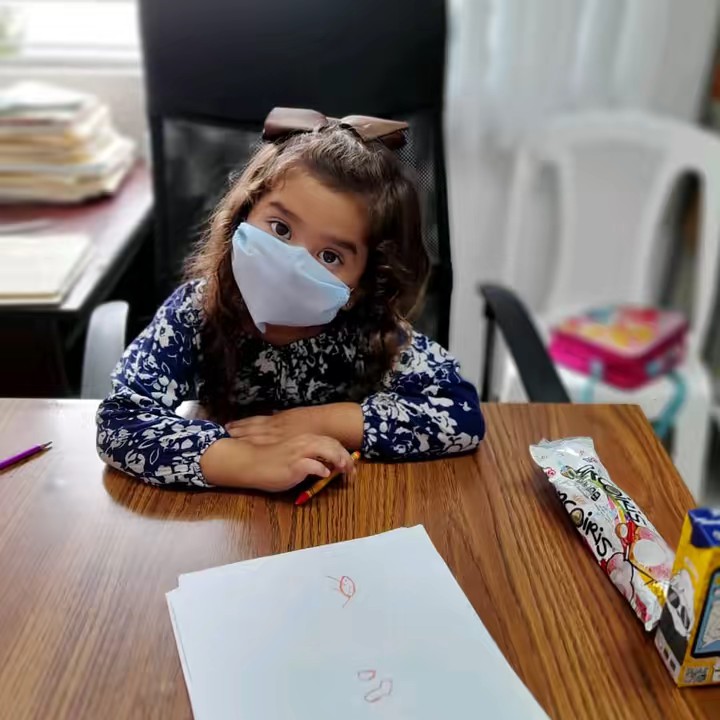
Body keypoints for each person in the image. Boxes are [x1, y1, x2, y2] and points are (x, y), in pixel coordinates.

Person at [96, 108, 485, 491]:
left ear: (363, 286)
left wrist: (323, 422)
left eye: (329, 256)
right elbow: (119, 422)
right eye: (280, 229)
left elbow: (462, 413)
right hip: (220, 514)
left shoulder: (371, 332)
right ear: (242, 216)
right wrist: (247, 462)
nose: (293, 264)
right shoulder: (195, 312)